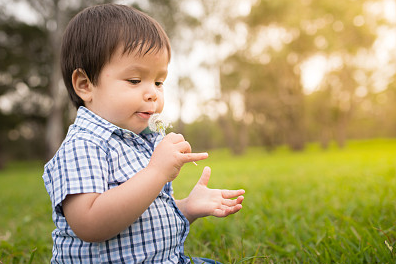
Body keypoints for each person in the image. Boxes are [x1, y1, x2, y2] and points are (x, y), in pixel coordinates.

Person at [42, 4, 245, 263]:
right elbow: (89, 224)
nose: (153, 93)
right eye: (135, 81)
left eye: (159, 82)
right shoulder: (83, 145)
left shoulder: (141, 143)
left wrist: (186, 208)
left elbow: (146, 217)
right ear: (85, 85)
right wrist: (156, 172)